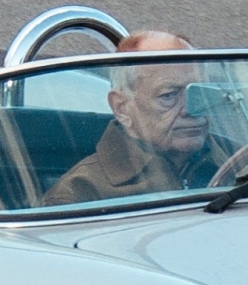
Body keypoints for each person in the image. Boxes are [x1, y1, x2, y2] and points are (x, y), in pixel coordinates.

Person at [39, 31, 226, 206]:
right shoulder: (80, 193)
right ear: (122, 108)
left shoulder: (242, 166)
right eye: (168, 95)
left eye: (199, 92)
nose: (190, 109)